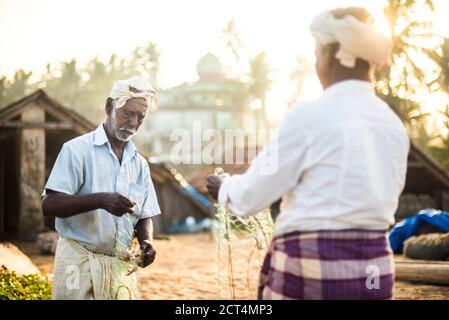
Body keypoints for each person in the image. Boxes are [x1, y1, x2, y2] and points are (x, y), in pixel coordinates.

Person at [207, 7, 410, 300]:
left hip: (313, 265)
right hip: (375, 268)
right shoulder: (393, 125)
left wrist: (225, 186)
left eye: (317, 55)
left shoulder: (309, 115)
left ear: (330, 56)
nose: (316, 65)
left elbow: (251, 196)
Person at [42, 76, 161, 300]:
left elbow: (144, 215)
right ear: (109, 107)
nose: (134, 123)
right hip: (78, 263)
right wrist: (101, 200)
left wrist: (147, 241)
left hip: (119, 267)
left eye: (140, 117)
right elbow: (49, 204)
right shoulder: (77, 150)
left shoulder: (139, 163)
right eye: (128, 113)